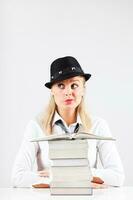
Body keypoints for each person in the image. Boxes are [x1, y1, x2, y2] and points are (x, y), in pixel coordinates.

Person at [11, 56, 125, 188]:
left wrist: (58, 176)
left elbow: (117, 177)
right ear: (52, 91)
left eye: (74, 85)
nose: (68, 92)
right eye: (60, 85)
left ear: (83, 89)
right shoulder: (36, 126)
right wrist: (78, 179)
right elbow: (18, 177)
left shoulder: (98, 125)